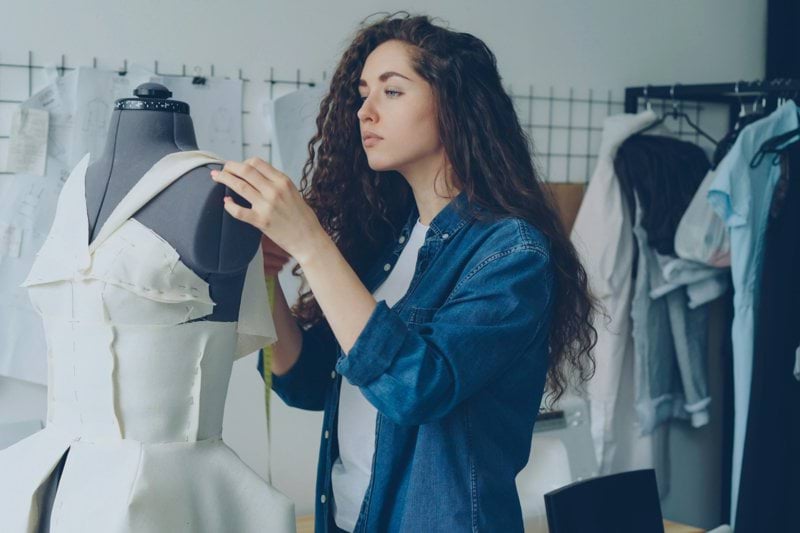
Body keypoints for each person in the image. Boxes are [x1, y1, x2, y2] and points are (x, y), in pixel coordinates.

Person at [210, 12, 598, 532]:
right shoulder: (388, 244)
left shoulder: (512, 253)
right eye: (363, 93)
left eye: (391, 92)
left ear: (456, 106)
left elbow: (416, 386)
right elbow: (305, 380)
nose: (364, 111)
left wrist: (308, 240)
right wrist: (265, 279)